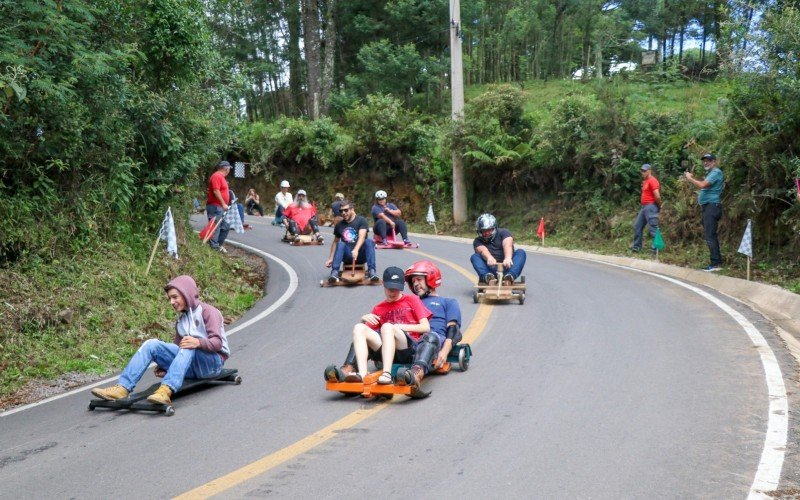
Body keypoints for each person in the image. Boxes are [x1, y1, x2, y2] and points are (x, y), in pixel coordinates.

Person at [91, 275, 231, 405]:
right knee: (151, 344)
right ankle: (122, 388)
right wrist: (167, 366)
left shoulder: (208, 312)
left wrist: (198, 342)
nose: (172, 302)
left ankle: (166, 390)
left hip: (212, 364)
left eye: (175, 297)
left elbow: (217, 343)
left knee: (189, 344)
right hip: (191, 365)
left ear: (186, 293)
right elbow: (178, 351)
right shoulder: (181, 321)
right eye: (170, 298)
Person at [326, 260, 461, 390]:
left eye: (419, 279)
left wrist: (445, 350)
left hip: (428, 339)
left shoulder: (447, 302)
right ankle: (349, 368)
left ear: (431, 278)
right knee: (362, 332)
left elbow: (453, 330)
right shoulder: (405, 300)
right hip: (398, 339)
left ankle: (416, 373)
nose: (415, 284)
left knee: (430, 336)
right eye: (413, 281)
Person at [328, 266, 431, 385]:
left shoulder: (412, 299)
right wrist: (362, 321)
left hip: (407, 349)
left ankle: (386, 374)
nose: (392, 292)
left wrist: (397, 327)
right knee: (359, 328)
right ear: (383, 284)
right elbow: (365, 338)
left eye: (396, 289)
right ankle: (362, 374)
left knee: (387, 327)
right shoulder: (378, 308)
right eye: (389, 288)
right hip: (386, 351)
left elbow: (425, 327)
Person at [685, 153, 724, 272]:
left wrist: (690, 178)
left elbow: (703, 185)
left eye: (709, 160)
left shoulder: (716, 172)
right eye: (704, 161)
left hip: (712, 207)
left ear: (714, 162)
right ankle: (716, 262)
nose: (706, 162)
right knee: (710, 235)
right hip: (708, 207)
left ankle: (716, 263)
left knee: (710, 235)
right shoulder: (711, 173)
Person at [325, 199, 379, 282]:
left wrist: (356, 250)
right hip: (347, 256)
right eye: (341, 211)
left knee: (369, 241)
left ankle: (372, 271)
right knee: (341, 244)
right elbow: (335, 242)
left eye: (346, 210)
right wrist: (330, 258)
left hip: (360, 255)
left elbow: (362, 236)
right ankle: (334, 272)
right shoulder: (339, 225)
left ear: (352, 209)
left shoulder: (361, 220)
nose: (343, 213)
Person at [471, 213, 527, 285]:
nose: (487, 233)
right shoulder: (477, 241)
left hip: (508, 266)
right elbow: (482, 250)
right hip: (491, 268)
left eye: (489, 230)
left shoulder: (503, 232)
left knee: (521, 252)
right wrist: (489, 258)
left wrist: (507, 258)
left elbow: (507, 244)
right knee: (474, 257)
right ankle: (488, 277)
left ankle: (510, 276)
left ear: (494, 228)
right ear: (480, 231)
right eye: (484, 231)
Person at [631, 163, 662, 253]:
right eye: (642, 171)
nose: (643, 172)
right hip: (644, 207)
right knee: (637, 226)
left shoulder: (653, 180)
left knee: (653, 227)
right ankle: (636, 247)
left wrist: (659, 205)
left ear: (649, 171)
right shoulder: (645, 182)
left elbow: (657, 196)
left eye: (645, 171)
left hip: (651, 206)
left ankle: (656, 248)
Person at [205, 160, 232, 252]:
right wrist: (223, 203)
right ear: (226, 168)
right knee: (215, 226)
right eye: (229, 168)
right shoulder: (216, 176)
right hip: (216, 206)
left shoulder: (221, 177)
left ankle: (217, 245)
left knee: (225, 227)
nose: (229, 170)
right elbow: (216, 191)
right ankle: (214, 247)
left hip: (220, 207)